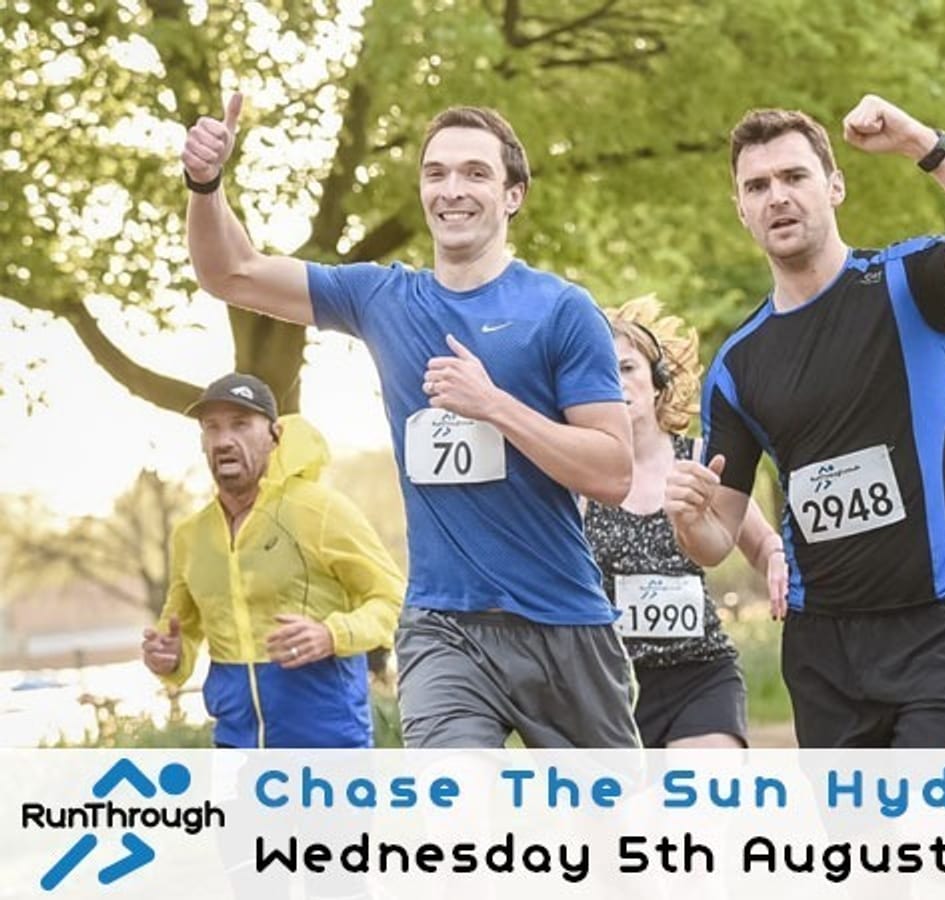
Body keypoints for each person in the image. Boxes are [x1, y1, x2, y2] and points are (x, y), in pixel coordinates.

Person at [183, 97, 640, 748]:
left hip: (561, 620)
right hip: (441, 624)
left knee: (607, 839)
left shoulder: (562, 311)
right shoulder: (383, 298)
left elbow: (614, 473)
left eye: (475, 174)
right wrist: (206, 185)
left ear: (513, 195)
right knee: (452, 821)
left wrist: (496, 407)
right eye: (436, 173)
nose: (453, 190)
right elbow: (230, 271)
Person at [665, 96, 945, 747]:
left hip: (938, 625)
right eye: (757, 186)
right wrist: (688, 516)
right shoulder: (738, 363)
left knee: (927, 830)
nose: (777, 197)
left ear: (834, 185)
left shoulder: (905, 282)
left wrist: (923, 145)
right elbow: (713, 540)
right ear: (740, 208)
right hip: (825, 653)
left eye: (794, 177)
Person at [141, 374, 403, 747]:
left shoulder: (319, 509)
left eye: (240, 424)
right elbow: (181, 632)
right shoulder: (190, 536)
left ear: (274, 436)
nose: (224, 440)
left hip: (326, 741)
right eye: (212, 428)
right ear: (202, 442)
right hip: (236, 743)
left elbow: (393, 601)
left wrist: (331, 635)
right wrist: (167, 657)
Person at [585, 296, 788, 748]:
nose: (614, 382)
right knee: (627, 819)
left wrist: (777, 560)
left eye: (627, 368)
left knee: (700, 802)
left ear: (658, 383)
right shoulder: (582, 477)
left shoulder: (700, 458)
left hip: (698, 673)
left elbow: (757, 541)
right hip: (607, 686)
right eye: (600, 370)